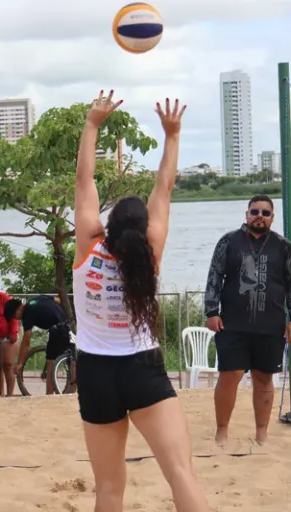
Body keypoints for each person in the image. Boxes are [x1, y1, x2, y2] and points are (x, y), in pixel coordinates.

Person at [73, 90, 207, 512]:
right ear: (144, 228)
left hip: (94, 371)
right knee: (180, 473)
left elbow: (84, 182)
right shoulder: (151, 253)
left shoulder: (87, 249)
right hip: (141, 367)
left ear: (106, 226)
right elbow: (164, 188)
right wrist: (173, 135)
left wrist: (92, 125)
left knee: (109, 489)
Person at [205, 194, 291, 447]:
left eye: (266, 213)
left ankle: (261, 433)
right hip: (232, 322)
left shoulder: (284, 246)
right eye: (255, 211)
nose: (260, 216)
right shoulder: (228, 241)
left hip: (270, 324)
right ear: (247, 214)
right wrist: (211, 311)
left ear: (272, 217)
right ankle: (222, 431)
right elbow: (214, 276)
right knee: (230, 375)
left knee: (263, 378)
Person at [4, 295, 72, 395]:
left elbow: (26, 340)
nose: (16, 319)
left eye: (15, 316)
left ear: (18, 309)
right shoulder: (35, 300)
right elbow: (58, 300)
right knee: (67, 358)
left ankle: (49, 397)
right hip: (65, 323)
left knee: (51, 363)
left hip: (58, 329)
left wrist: (20, 363)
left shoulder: (27, 313)